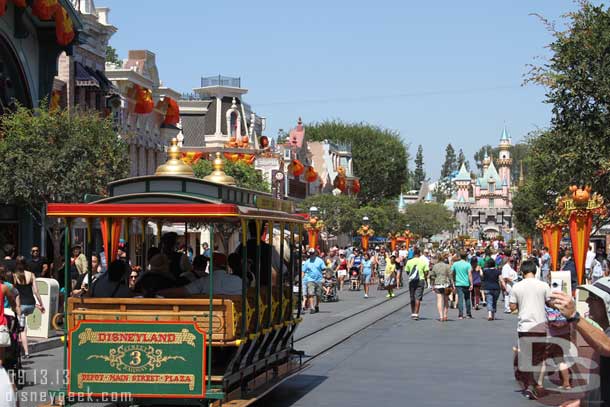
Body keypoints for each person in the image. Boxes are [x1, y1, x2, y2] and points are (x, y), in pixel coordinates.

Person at [550, 277, 610, 407]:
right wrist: (581, 403)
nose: (587, 300)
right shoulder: (604, 334)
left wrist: (574, 316)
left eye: (593, 297)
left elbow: (607, 346)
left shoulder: (605, 339)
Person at [509, 260, 565, 396]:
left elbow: (512, 307)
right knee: (539, 358)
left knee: (527, 357)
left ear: (522, 271)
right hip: (540, 326)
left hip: (524, 327)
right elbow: (550, 302)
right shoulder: (543, 285)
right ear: (535, 271)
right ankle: (534, 384)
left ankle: (529, 385)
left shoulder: (516, 287)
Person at [12, 256, 45, 359]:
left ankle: (24, 352)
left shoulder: (14, 276)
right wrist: (41, 304)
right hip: (30, 304)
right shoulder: (31, 275)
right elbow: (36, 291)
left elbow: (13, 292)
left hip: (20, 306)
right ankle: (24, 350)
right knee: (23, 327)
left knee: (21, 330)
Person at [405, 247, 429, 320]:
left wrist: (411, 275)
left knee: (412, 297)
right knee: (418, 297)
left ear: (414, 254)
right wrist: (424, 277)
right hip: (420, 280)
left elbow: (407, 271)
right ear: (419, 254)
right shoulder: (423, 262)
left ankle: (412, 312)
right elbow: (427, 271)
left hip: (412, 280)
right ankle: (416, 313)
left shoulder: (409, 261)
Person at [429, 253, 453, 322]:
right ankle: (445, 315)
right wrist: (452, 284)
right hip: (446, 284)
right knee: (446, 300)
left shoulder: (435, 266)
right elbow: (450, 275)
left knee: (439, 300)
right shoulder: (447, 266)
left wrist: (432, 285)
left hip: (438, 284)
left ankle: (441, 316)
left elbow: (432, 276)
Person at [302, 248, 325, 314]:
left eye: (312, 253)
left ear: (315, 253)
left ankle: (317, 305)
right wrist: (302, 279)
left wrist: (324, 278)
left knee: (318, 294)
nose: (311, 255)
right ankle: (312, 308)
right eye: (310, 253)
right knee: (311, 294)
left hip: (319, 279)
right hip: (310, 280)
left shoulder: (320, 261)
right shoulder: (307, 262)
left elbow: (324, 269)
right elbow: (303, 271)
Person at [452, 251, 473, 320]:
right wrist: (471, 284)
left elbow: (451, 273)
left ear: (460, 257)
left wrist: (453, 281)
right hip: (466, 283)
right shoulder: (468, 264)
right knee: (467, 299)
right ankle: (468, 314)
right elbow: (470, 274)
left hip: (458, 283)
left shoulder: (455, 264)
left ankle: (460, 315)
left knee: (460, 299)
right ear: (466, 257)